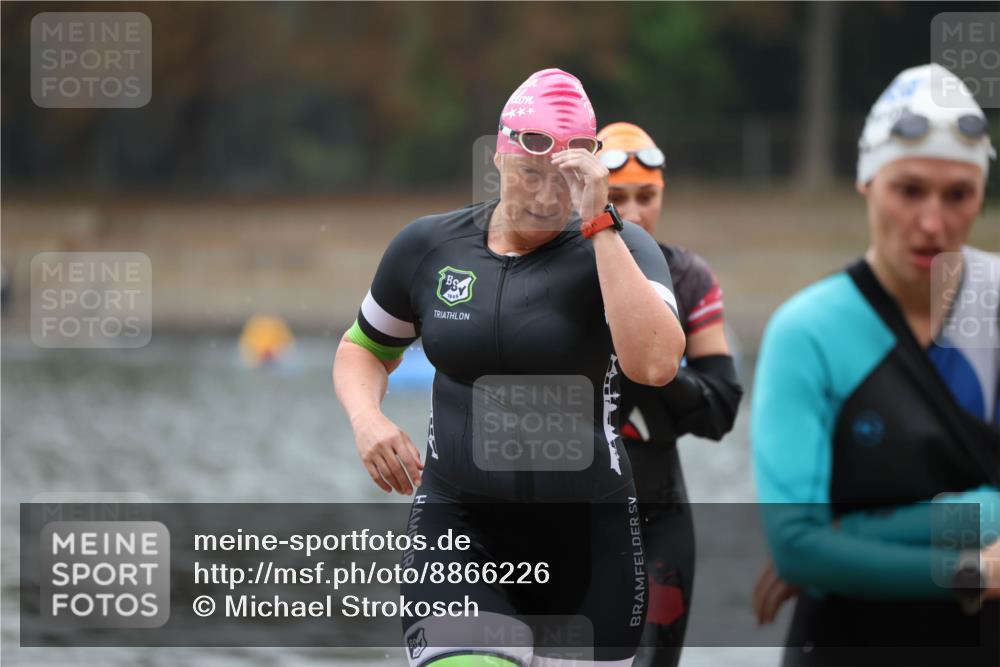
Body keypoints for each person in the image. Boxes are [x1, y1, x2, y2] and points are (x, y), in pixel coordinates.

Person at [333, 68, 687, 667]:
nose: (547, 198)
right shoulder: (428, 247)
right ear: (499, 158)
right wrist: (367, 418)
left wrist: (599, 224)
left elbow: (655, 365)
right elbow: (363, 348)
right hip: (461, 523)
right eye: (530, 175)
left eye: (565, 179)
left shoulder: (623, 250)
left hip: (588, 542)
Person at [751, 63, 1000, 666]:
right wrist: (968, 568)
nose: (933, 222)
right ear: (867, 183)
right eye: (909, 189)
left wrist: (852, 537)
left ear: (981, 197)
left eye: (958, 194)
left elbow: (816, 545)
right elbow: (796, 550)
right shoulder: (807, 331)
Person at [595, 123, 743, 667]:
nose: (632, 214)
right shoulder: (561, 271)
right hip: (567, 519)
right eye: (616, 199)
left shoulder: (687, 277)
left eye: (646, 197)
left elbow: (721, 409)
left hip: (659, 520)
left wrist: (655, 366)